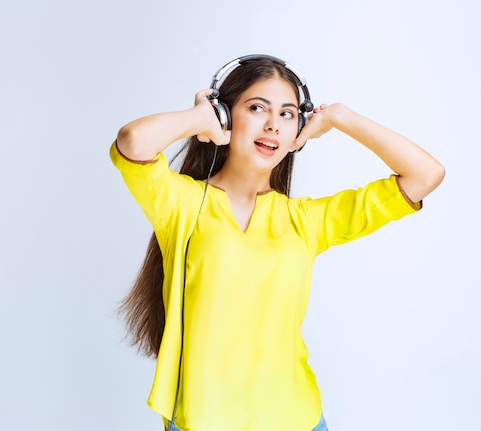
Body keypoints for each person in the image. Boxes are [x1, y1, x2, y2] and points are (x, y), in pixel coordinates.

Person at [110, 55, 445, 431]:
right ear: (226, 115)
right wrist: (200, 118)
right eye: (257, 108)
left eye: (287, 114)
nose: (272, 124)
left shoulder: (305, 221)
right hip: (203, 420)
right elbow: (132, 141)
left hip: (295, 418)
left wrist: (339, 118)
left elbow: (426, 174)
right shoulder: (181, 204)